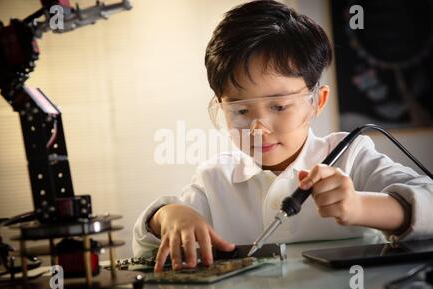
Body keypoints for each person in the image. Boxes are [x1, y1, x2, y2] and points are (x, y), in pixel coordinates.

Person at [132, 0, 433, 272]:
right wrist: (168, 215)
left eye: (279, 106)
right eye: (240, 111)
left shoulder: (351, 156)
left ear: (317, 101)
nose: (258, 128)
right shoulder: (215, 180)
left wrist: (360, 207)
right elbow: (146, 248)